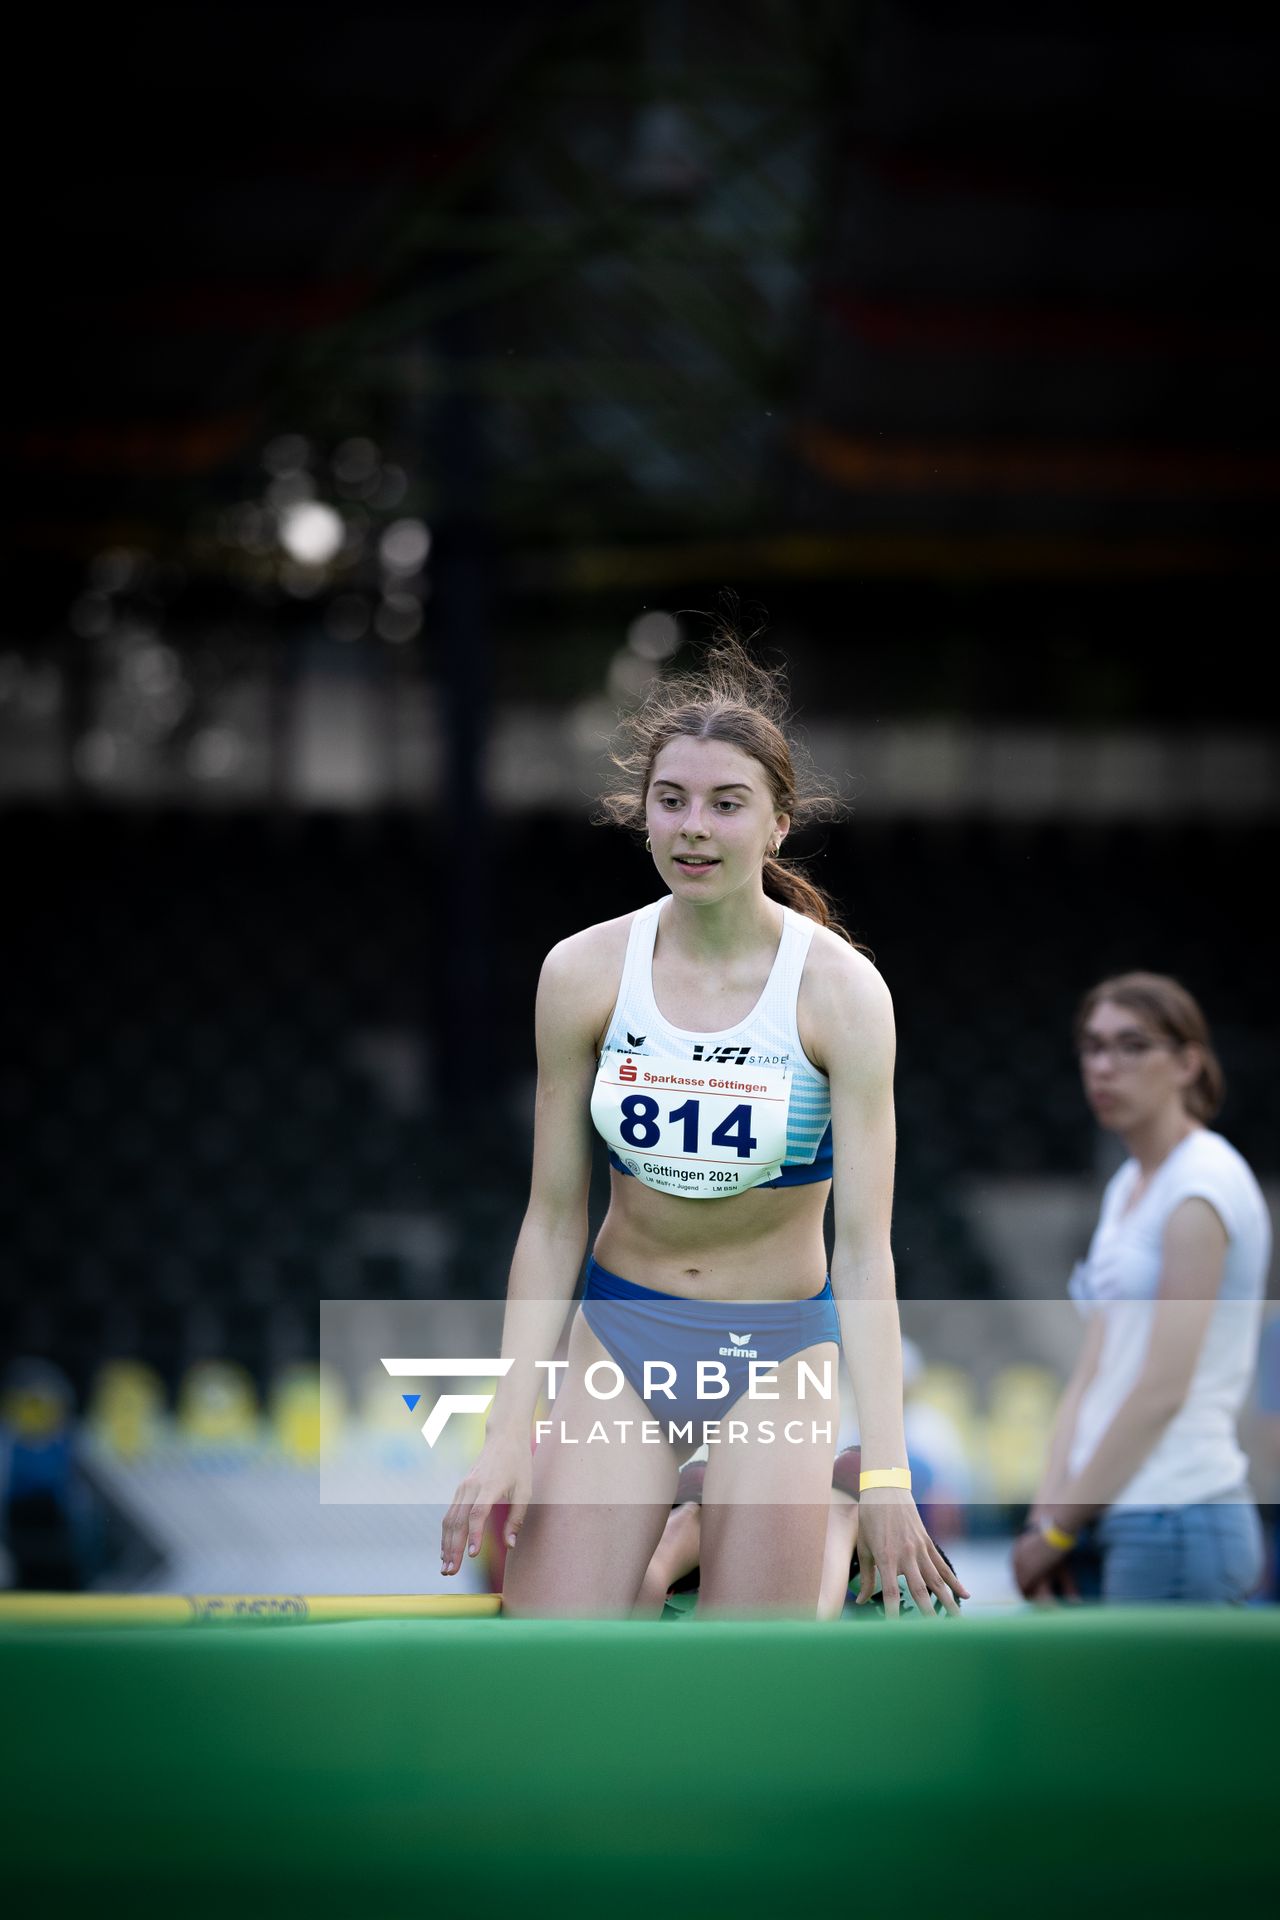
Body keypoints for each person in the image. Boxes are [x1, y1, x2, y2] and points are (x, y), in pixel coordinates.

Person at [440, 631, 968, 1618]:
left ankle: (827, 1516)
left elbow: (864, 1254)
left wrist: (888, 1475)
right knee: (554, 1642)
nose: (693, 827)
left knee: (747, 1663)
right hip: (622, 1334)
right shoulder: (581, 973)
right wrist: (508, 1429)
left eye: (726, 804)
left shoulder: (841, 992)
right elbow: (550, 1220)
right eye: (670, 800)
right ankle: (682, 1534)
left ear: (776, 824)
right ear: (640, 811)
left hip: (778, 1348)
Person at [1013, 973, 1270, 1606]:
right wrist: (1045, 1519)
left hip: (1177, 1515)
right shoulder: (1127, 1186)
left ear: (1187, 1063)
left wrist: (1059, 1529)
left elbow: (1162, 1388)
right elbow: (1092, 1372)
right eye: (1093, 1046)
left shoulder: (1202, 1184)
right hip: (1109, 1511)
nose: (1104, 1066)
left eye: (1132, 1046)